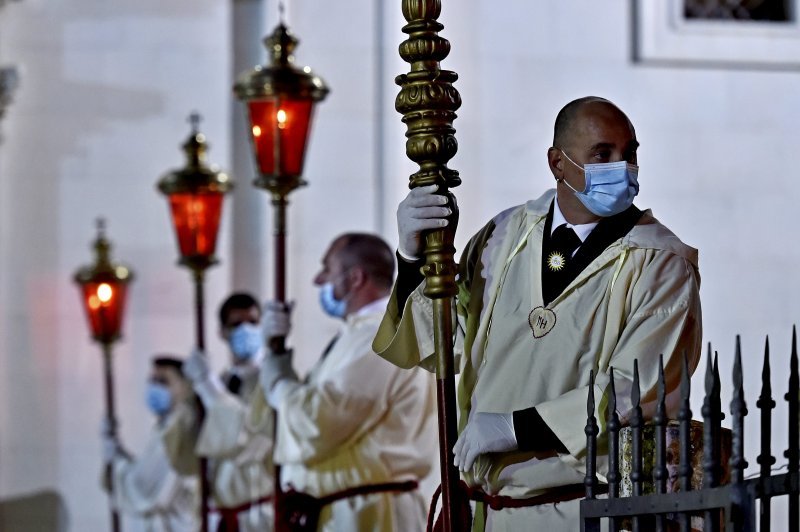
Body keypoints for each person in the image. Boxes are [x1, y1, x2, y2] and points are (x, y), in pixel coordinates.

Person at [372, 96, 703, 529]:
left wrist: (514, 428)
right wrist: (412, 258)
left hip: (580, 507)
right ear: (557, 163)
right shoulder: (502, 236)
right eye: (602, 154)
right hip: (486, 509)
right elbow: (448, 346)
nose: (622, 168)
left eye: (630, 154)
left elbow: (637, 390)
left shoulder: (661, 260)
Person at [256, 232, 438, 531]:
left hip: (366, 515)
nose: (317, 280)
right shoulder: (358, 335)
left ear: (355, 278)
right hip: (345, 510)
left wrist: (277, 380)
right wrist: (276, 358)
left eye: (327, 268)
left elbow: (320, 423)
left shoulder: (380, 338)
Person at [164, 293, 274, 532]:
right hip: (217, 515)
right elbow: (187, 459)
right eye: (236, 324)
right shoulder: (221, 382)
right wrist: (190, 403)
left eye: (253, 323)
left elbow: (252, 435)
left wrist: (208, 387)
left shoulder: (273, 380)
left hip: (256, 516)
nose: (246, 330)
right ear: (222, 332)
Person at [101, 356, 199, 532]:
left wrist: (115, 461)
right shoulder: (164, 428)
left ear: (185, 387)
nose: (155, 388)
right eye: (152, 381)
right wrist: (118, 450)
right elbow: (145, 470)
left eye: (163, 382)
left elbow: (144, 489)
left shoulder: (182, 429)